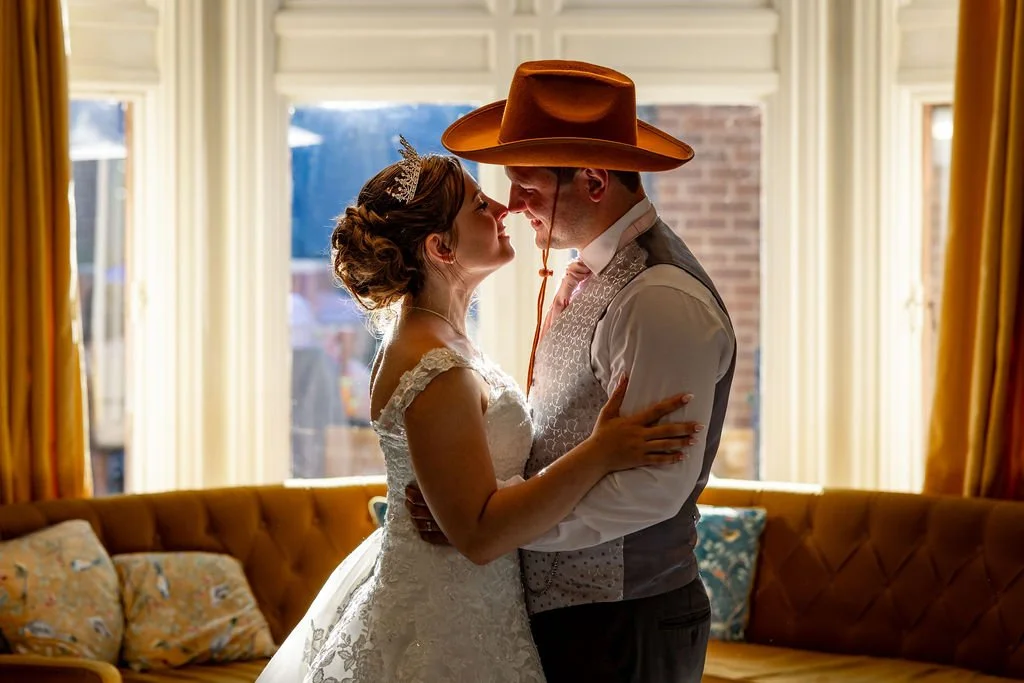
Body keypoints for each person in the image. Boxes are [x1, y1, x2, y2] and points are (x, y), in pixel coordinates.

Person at [256, 136, 704, 682]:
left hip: (482, 606)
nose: (504, 206)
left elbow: (478, 509)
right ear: (442, 250)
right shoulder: (433, 364)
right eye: (479, 204)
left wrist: (480, 512)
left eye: (517, 188)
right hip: (446, 621)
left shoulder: (442, 339)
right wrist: (599, 452)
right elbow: (481, 534)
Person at [407, 59, 738, 682]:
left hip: (624, 623)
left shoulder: (658, 299)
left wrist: (492, 526)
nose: (512, 203)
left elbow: (649, 490)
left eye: (528, 184)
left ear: (592, 180)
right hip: (572, 623)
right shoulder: (590, 275)